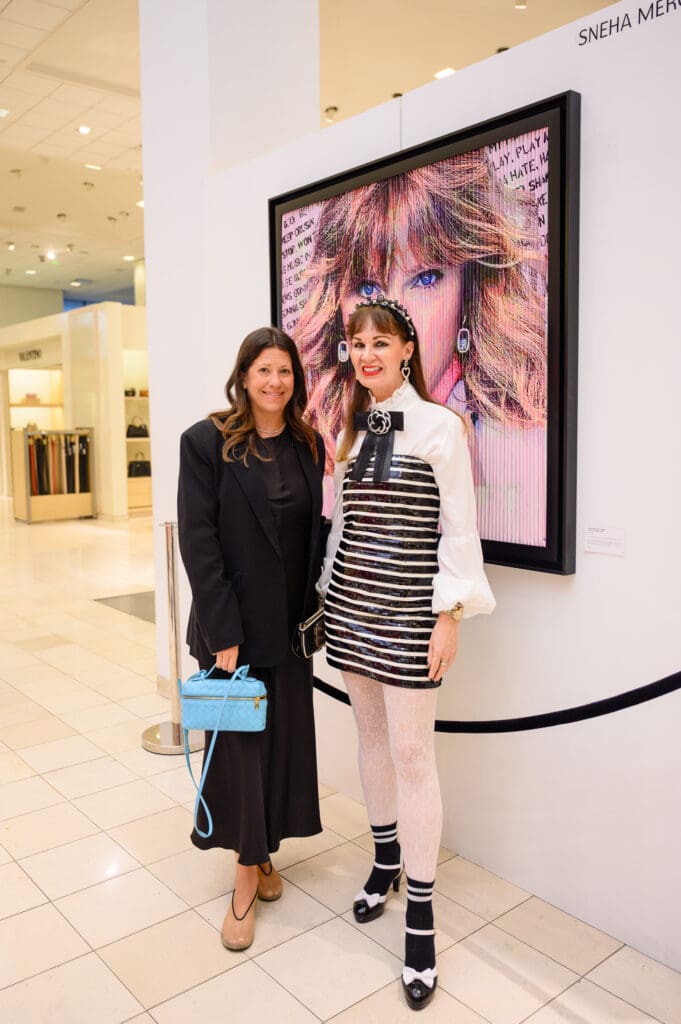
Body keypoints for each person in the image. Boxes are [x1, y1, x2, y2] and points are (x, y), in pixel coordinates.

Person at [318, 296, 495, 1010]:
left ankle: (419, 914)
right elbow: (345, 530)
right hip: (354, 610)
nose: (366, 354)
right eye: (356, 344)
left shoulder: (440, 426)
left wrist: (447, 615)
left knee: (414, 755)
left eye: (380, 342)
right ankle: (383, 856)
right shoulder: (357, 428)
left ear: (405, 349)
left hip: (409, 617)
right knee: (368, 739)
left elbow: (458, 530)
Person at [293, 149, 547, 546]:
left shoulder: (516, 442)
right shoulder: (334, 428)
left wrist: (450, 609)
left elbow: (460, 538)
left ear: (470, 288)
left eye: (426, 279)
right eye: (368, 288)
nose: (395, 316)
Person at [177, 326, 325, 951]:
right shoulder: (206, 442)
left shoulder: (307, 442)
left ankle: (265, 852)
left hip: (287, 629)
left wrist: (314, 610)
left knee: (280, 745)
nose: (274, 382)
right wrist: (222, 633)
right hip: (232, 631)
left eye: (285, 371)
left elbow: (311, 532)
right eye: (263, 370)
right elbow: (199, 540)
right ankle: (243, 876)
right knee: (241, 751)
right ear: (243, 376)